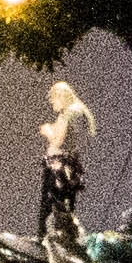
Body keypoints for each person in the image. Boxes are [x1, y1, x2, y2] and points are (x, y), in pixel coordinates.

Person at [35, 76, 98, 237]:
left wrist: (49, 131)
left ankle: (47, 242)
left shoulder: (70, 113)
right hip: (70, 168)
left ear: (61, 96)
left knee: (51, 208)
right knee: (65, 207)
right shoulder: (79, 112)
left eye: (53, 99)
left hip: (58, 169)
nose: (52, 103)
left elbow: (59, 141)